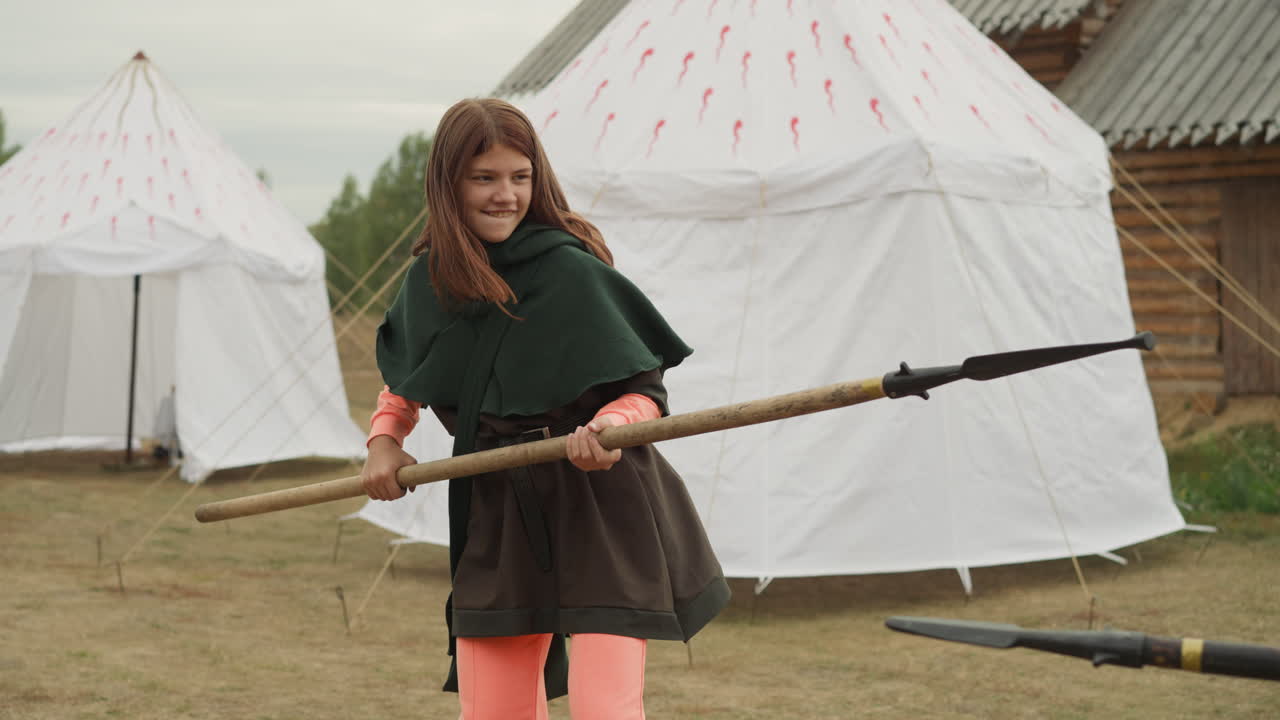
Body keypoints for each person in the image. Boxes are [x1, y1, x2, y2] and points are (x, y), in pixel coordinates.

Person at [361, 98, 730, 720]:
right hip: (496, 501)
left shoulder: (571, 272)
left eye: (520, 177)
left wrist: (611, 428)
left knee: (602, 711)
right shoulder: (430, 282)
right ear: (447, 183)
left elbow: (645, 394)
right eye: (484, 178)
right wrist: (384, 439)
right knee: (492, 711)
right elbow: (405, 382)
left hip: (601, 500)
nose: (505, 195)